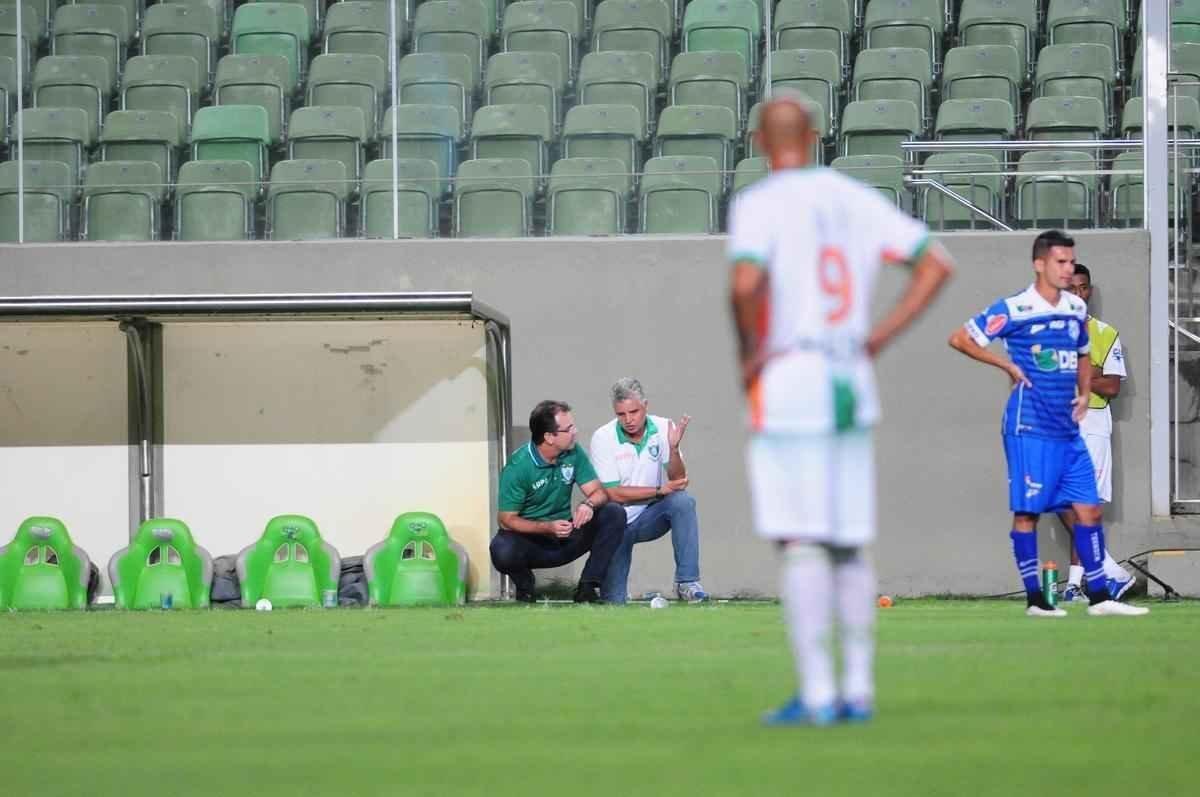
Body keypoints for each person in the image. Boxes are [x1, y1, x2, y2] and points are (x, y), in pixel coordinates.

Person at [728, 93, 955, 727]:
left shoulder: (759, 204)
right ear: (819, 134)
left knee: (800, 539)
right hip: (849, 379)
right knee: (850, 539)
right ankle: (859, 689)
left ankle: (819, 692)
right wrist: (878, 336)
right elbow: (934, 264)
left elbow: (745, 283)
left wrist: (750, 352)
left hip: (790, 377)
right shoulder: (855, 198)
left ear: (757, 142)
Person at [948, 230, 1148, 619]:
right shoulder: (1016, 308)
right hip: (1029, 426)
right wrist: (1005, 363)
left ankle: (1100, 596)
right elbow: (961, 338)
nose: (1068, 269)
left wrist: (1083, 389)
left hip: (1068, 429)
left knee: (1088, 510)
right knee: (1028, 513)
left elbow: (1084, 353)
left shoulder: (1075, 308)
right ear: (1039, 264)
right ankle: (1035, 600)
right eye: (1061, 262)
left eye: (1071, 262)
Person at [490, 400, 626, 603]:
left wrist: (587, 505)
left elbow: (599, 492)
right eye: (568, 428)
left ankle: (588, 588)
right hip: (531, 542)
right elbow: (506, 520)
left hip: (566, 536)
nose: (575, 431)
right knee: (501, 549)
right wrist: (546, 527)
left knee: (613, 512)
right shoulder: (518, 467)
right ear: (549, 437)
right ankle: (525, 586)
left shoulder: (573, 453)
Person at [589, 377, 708, 604]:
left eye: (634, 412)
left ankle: (687, 582)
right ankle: (613, 593)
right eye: (621, 414)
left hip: (648, 517)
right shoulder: (602, 437)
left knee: (683, 501)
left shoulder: (664, 427)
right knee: (613, 602)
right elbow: (614, 494)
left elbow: (678, 480)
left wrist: (673, 449)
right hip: (615, 526)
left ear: (646, 405)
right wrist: (659, 490)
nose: (629, 420)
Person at [1058, 263, 1136, 601]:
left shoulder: (1105, 333)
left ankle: (1075, 585)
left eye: (1083, 288)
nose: (1079, 294)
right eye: (1072, 288)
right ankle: (1110, 572)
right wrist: (1091, 377)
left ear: (1089, 290)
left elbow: (1113, 387)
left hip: (1093, 428)